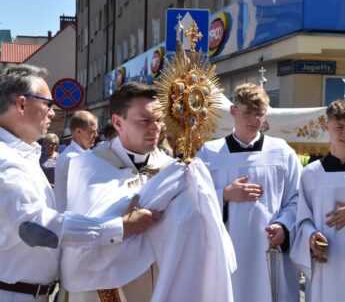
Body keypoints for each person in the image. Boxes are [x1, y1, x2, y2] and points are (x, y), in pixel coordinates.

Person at [61, 82, 235, 302]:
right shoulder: (89, 165)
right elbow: (87, 226)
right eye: (144, 120)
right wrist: (126, 221)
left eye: (159, 120)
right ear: (117, 122)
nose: (156, 128)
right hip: (105, 287)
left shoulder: (173, 170)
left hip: (162, 280)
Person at [0, 64, 160, 302]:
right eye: (48, 104)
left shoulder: (23, 154)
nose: (53, 113)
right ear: (22, 104)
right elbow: (35, 228)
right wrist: (120, 227)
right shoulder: (5, 161)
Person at [198, 83, 302, 302]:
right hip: (227, 249)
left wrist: (284, 225)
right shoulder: (210, 153)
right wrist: (224, 195)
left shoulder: (281, 151)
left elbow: (298, 197)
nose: (254, 120)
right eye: (248, 113)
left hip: (270, 247)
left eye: (260, 114)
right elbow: (193, 201)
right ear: (234, 111)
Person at [290, 99, 345, 302]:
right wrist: (311, 237)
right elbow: (303, 220)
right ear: (326, 126)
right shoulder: (311, 173)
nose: (344, 133)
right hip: (327, 265)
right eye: (339, 127)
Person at [54, 110, 98, 213]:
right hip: (73, 220)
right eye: (92, 131)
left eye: (96, 131)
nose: (96, 135)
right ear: (78, 132)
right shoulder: (72, 159)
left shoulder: (84, 153)